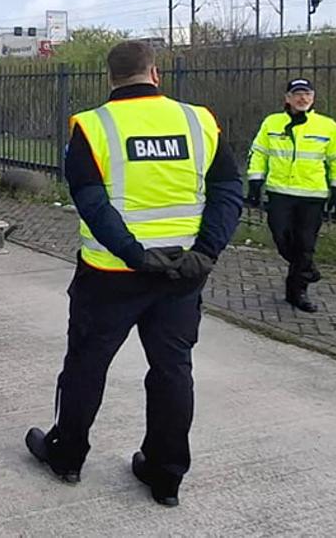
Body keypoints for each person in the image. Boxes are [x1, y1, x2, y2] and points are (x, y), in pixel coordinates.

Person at [25, 39, 243, 508]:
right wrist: (207, 251)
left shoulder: (93, 126)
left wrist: (133, 254)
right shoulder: (198, 121)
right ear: (155, 73)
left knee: (86, 365)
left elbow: (92, 202)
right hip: (183, 273)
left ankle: (67, 457)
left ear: (110, 77)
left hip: (111, 275)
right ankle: (165, 475)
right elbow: (228, 190)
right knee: (172, 370)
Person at [245, 78, 336, 313]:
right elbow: (259, 153)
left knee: (305, 243)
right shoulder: (272, 123)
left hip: (312, 195)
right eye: (297, 94)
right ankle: (307, 268)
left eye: (307, 94)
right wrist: (254, 181)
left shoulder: (327, 126)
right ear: (288, 98)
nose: (302, 98)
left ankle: (297, 291)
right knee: (282, 238)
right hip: (279, 192)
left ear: (313, 98)